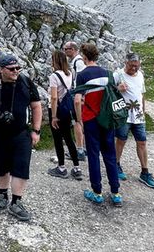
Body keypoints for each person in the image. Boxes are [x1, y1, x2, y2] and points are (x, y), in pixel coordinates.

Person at [0, 54, 42, 222]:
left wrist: (36, 130)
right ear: (1, 69)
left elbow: (36, 106)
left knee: (21, 166)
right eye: (12, 69)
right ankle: (2, 197)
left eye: (18, 68)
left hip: (21, 133)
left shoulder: (26, 82)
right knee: (1, 166)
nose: (16, 71)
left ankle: (16, 202)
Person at [73, 43, 123, 206]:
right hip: (107, 119)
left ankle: (97, 192)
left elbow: (77, 99)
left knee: (93, 155)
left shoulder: (82, 75)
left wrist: (79, 119)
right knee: (110, 154)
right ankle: (115, 193)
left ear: (84, 57)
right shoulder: (108, 74)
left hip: (91, 120)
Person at [113, 52, 154, 189]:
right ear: (126, 63)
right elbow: (108, 92)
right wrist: (117, 88)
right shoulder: (117, 75)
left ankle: (145, 172)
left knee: (142, 142)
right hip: (123, 115)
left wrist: (143, 110)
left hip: (138, 115)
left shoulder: (140, 75)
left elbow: (141, 94)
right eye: (132, 66)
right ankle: (116, 165)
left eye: (137, 66)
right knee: (121, 140)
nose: (134, 69)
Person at [46, 50, 83, 180]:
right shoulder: (70, 73)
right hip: (67, 109)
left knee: (57, 139)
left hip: (56, 109)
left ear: (55, 61)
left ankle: (61, 167)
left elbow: (54, 97)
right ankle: (76, 167)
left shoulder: (54, 76)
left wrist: (54, 116)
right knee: (68, 137)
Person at [62, 41, 86, 160]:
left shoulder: (78, 61)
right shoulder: (77, 61)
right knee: (80, 121)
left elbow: (82, 79)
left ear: (73, 49)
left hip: (78, 95)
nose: (65, 51)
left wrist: (80, 95)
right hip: (80, 95)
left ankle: (80, 150)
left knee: (77, 121)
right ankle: (83, 148)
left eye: (67, 49)